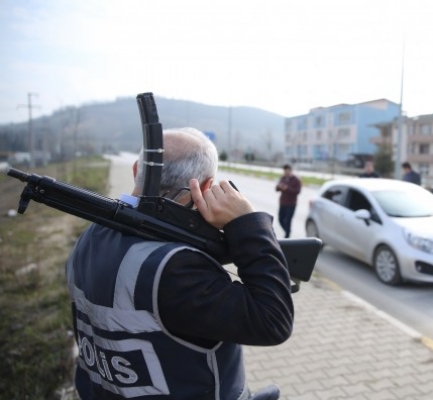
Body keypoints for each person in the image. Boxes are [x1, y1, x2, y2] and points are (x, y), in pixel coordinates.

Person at [66, 127, 291, 400]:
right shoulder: (175, 267)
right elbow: (273, 321)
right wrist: (246, 222)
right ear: (206, 188)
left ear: (137, 170)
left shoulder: (90, 235)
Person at [275, 164, 302, 238]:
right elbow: (276, 189)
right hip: (283, 202)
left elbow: (298, 191)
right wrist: (279, 187)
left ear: (290, 171)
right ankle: (287, 231)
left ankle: (287, 236)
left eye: (287, 171)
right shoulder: (283, 178)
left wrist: (287, 188)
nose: (286, 173)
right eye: (285, 171)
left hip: (291, 204)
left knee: (288, 220)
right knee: (280, 219)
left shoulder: (296, 180)